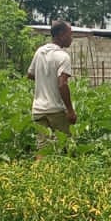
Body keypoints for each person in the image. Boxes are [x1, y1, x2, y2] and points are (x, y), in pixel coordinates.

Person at [27, 20, 76, 151]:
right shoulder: (63, 56)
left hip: (38, 110)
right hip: (55, 110)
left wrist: (45, 77)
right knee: (65, 147)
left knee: (43, 149)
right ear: (60, 35)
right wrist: (70, 111)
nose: (71, 38)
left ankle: (39, 171)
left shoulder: (40, 52)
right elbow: (62, 84)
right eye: (69, 34)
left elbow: (30, 74)